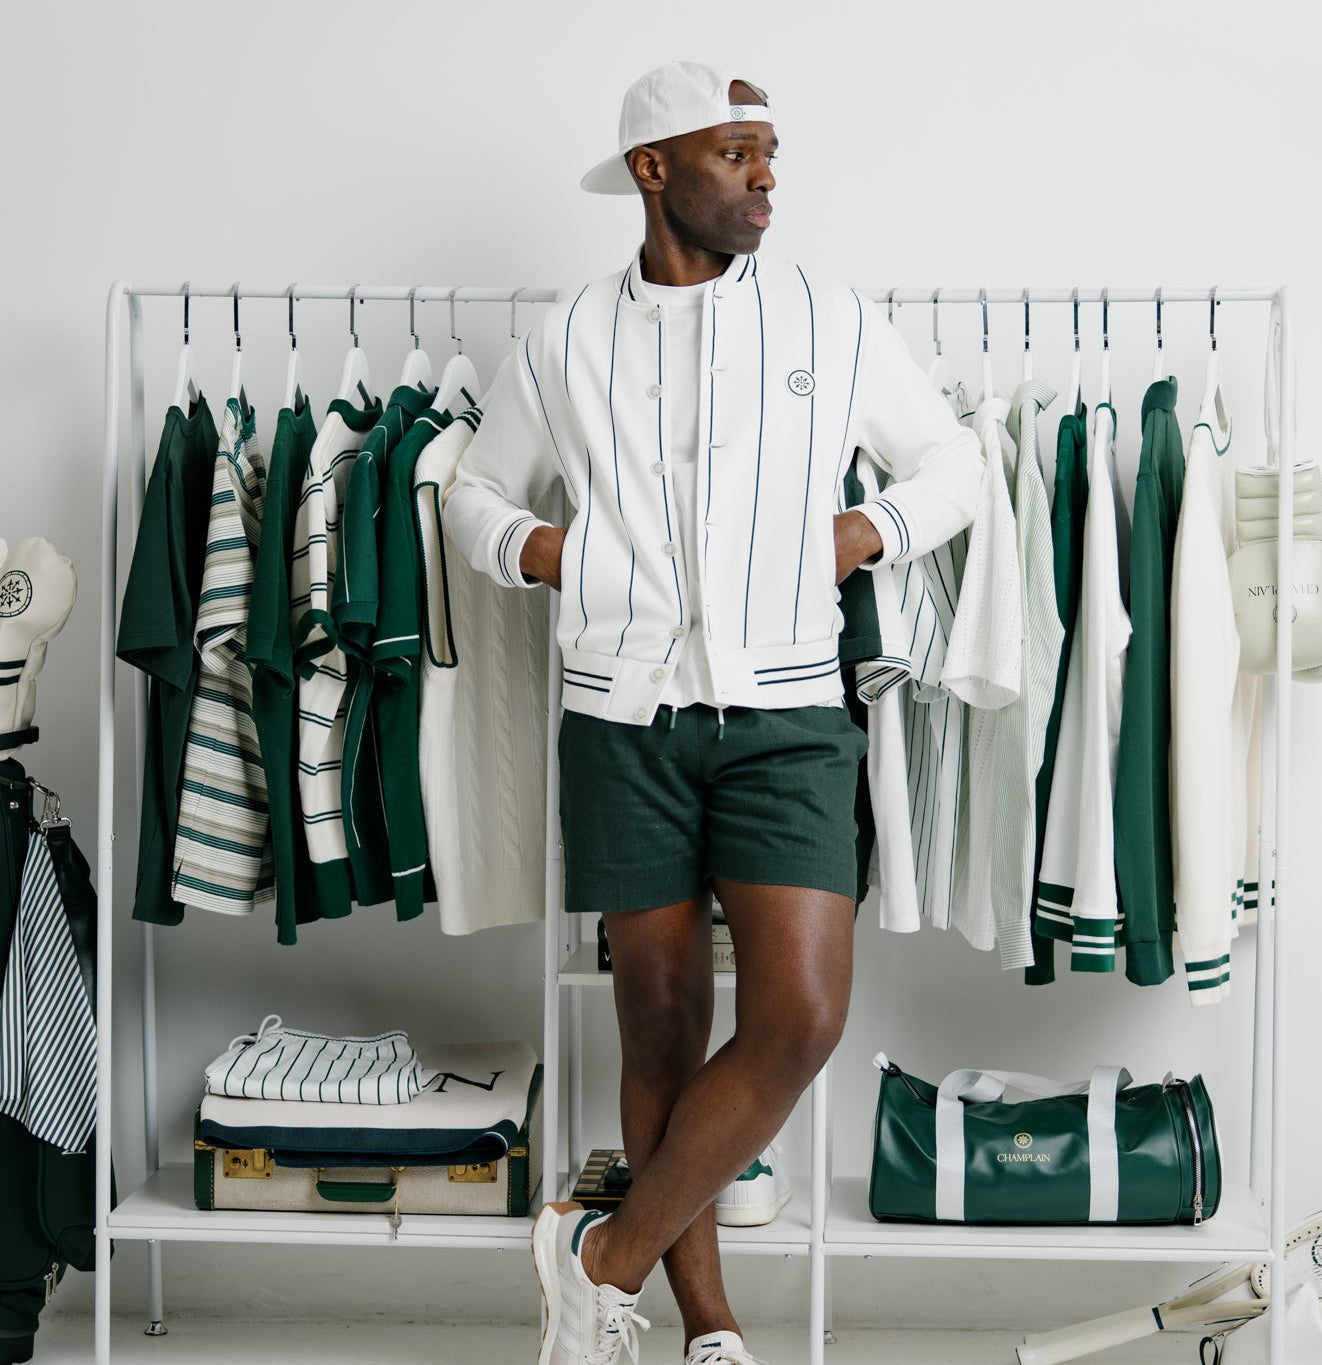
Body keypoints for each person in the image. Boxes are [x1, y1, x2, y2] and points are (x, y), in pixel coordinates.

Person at [446, 59, 983, 1365]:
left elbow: (954, 462)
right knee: (660, 1022)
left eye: (768, 153)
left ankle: (598, 1258)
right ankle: (705, 1325)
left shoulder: (827, 319)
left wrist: (870, 528)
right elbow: (470, 494)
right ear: (653, 170)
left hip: (788, 713)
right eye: (735, 152)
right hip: (620, 718)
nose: (763, 178)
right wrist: (546, 551)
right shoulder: (566, 337)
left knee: (798, 1014)